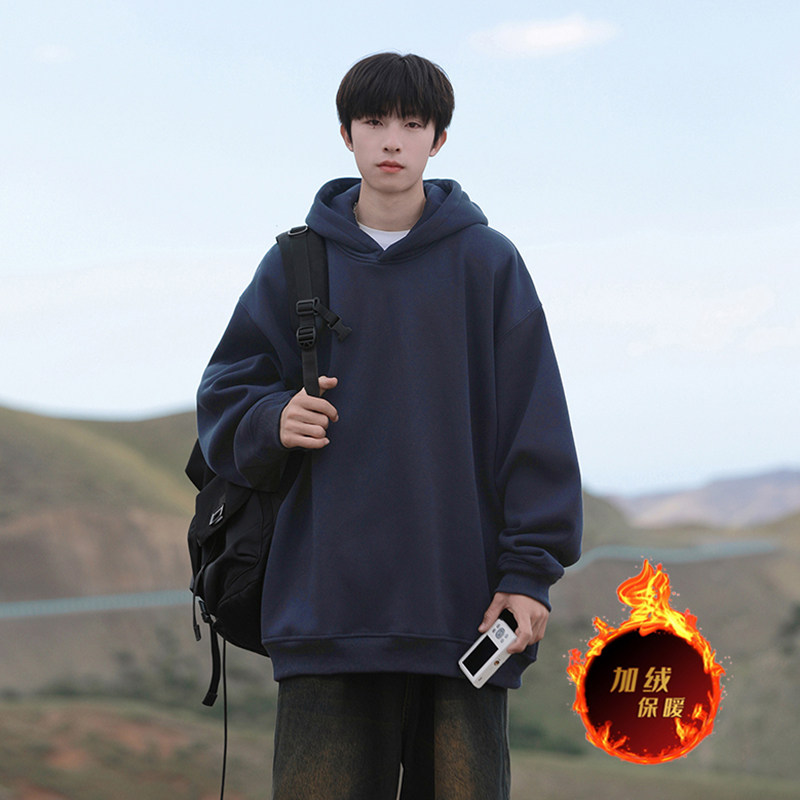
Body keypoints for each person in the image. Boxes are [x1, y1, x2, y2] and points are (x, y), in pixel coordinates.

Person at [197, 52, 582, 800]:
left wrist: (528, 575)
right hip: (325, 611)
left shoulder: (488, 264)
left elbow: (534, 426)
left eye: (412, 123)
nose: (392, 140)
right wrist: (274, 418)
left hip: (463, 611)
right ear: (347, 134)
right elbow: (223, 395)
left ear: (439, 139)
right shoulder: (294, 264)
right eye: (374, 122)